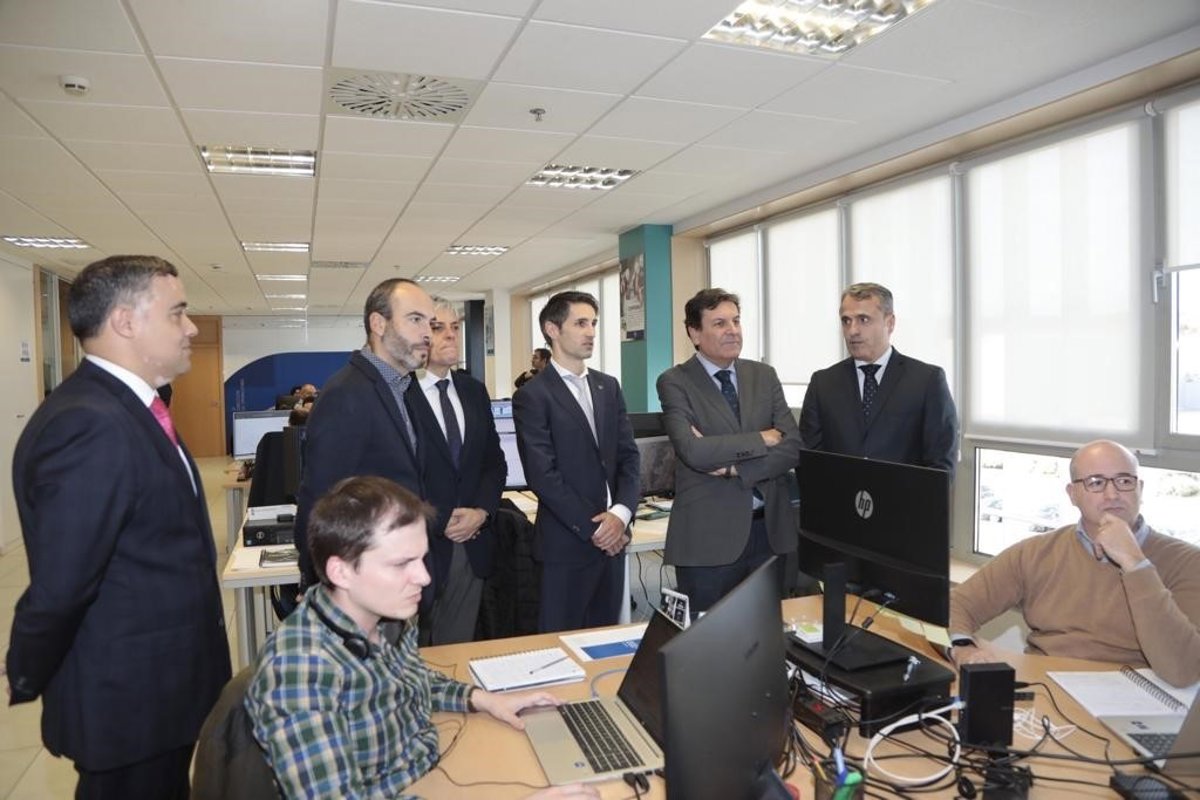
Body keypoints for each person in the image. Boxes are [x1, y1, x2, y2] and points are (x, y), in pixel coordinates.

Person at [5, 255, 232, 798]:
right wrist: (24, 668)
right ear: (125, 321)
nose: (191, 328)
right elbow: (64, 581)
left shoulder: (128, 408)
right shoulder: (90, 422)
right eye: (177, 313)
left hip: (160, 690)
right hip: (129, 699)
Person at [245, 476, 598, 800]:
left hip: (429, 768)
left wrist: (484, 699)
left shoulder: (384, 617)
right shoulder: (301, 669)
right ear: (341, 571)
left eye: (422, 558)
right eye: (402, 564)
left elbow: (413, 681)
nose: (424, 578)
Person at [949, 440, 1200, 687]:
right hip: (1047, 689)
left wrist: (1136, 564)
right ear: (1073, 494)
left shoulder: (1187, 561)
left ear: (1140, 489)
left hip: (1133, 698)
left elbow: (1183, 670)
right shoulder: (1036, 552)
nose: (1112, 494)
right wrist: (962, 647)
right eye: (1096, 483)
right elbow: (954, 605)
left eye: (1124, 481)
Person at [656, 289, 802, 612]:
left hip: (770, 533)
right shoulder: (675, 382)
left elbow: (793, 446)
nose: (733, 330)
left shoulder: (763, 375)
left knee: (767, 635)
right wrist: (761, 438)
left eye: (736, 321)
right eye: (720, 323)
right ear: (695, 333)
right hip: (709, 540)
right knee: (708, 636)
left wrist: (735, 468)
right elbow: (693, 451)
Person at [292, 278, 434, 589]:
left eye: (430, 322)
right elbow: (319, 500)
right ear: (378, 324)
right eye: (415, 319)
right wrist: (319, 584)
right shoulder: (346, 394)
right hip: (361, 583)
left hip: (399, 574)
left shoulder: (404, 389)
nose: (427, 333)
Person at [512, 291, 639, 632]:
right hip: (567, 546)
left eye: (593, 323)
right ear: (552, 329)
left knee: (606, 641)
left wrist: (621, 515)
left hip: (614, 541)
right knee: (562, 644)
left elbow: (629, 457)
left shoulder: (608, 386)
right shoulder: (533, 396)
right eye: (581, 323)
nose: (591, 332)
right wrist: (598, 528)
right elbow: (543, 474)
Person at [409, 298, 507, 643]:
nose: (451, 335)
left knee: (456, 652)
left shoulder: (473, 391)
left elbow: (493, 463)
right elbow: (393, 475)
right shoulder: (399, 395)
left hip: (469, 544)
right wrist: (439, 519)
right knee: (407, 656)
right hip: (416, 545)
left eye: (455, 327)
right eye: (438, 328)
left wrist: (482, 512)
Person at [799, 282, 958, 473]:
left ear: (890, 323)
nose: (852, 331)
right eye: (846, 321)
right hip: (838, 492)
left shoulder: (927, 381)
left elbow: (940, 465)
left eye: (863, 319)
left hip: (904, 493)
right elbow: (810, 461)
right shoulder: (823, 384)